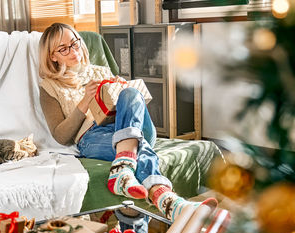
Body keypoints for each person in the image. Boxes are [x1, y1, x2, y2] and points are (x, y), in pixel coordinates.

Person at [38, 23, 217, 222]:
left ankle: (122, 168)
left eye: (75, 43)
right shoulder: (49, 87)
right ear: (52, 56)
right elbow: (60, 136)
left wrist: (120, 89)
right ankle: (169, 202)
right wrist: (85, 101)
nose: (73, 51)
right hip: (92, 137)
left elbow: (127, 104)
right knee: (138, 145)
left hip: (126, 125)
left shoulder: (100, 71)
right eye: (64, 49)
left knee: (131, 92)